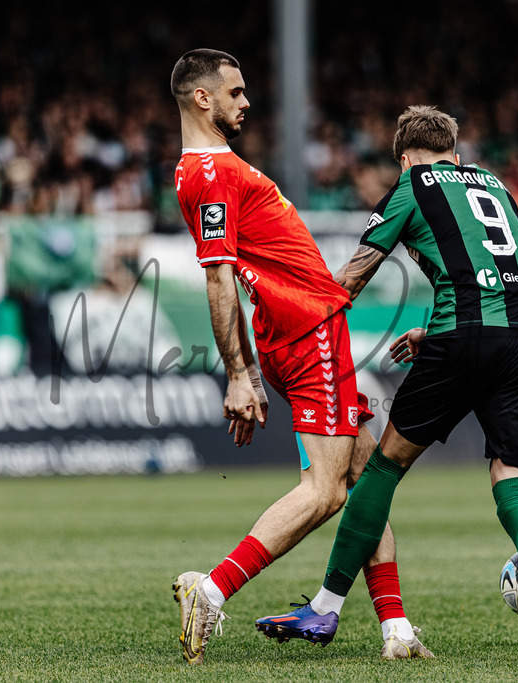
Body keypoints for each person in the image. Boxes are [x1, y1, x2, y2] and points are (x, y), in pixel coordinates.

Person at [256, 105, 518, 667]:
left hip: (462, 339)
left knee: (382, 467)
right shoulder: (498, 188)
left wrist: (287, 319)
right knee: (516, 489)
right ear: (457, 152)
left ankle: (326, 607)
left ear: (405, 158)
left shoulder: (412, 185)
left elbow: (350, 282)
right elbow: (501, 278)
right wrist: (436, 331)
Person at [168, 49, 431, 664]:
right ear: (202, 99)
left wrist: (251, 369)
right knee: (327, 491)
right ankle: (212, 589)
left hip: (290, 331)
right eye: (234, 92)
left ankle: (395, 629)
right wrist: (236, 373)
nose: (246, 102)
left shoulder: (204, 170)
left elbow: (239, 269)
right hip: (309, 327)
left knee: (366, 478)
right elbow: (218, 276)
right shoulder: (212, 174)